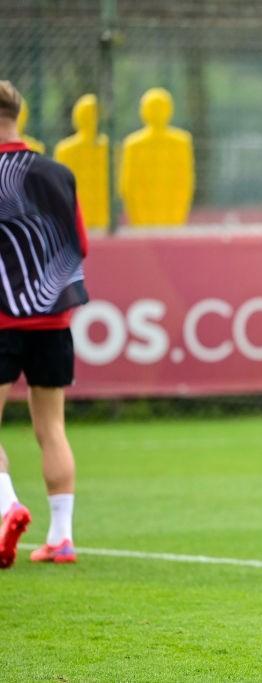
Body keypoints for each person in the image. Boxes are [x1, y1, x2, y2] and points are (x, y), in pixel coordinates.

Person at [0, 80, 89, 569]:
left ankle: (7, 504)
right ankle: (62, 537)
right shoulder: (57, 171)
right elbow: (81, 244)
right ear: (20, 114)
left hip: (1, 315)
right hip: (53, 317)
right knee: (51, 427)